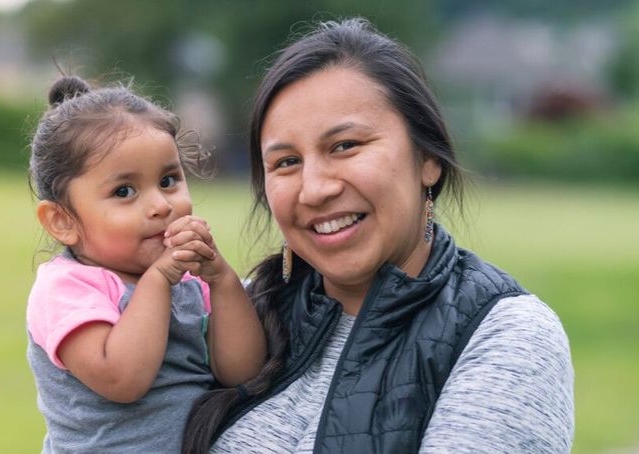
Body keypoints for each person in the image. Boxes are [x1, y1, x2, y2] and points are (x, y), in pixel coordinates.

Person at [182, 18, 574, 453]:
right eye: (286, 162)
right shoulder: (244, 314)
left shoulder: (505, 335)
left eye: (345, 146)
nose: (314, 189)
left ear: (427, 159)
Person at [25, 75, 266, 453]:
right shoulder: (67, 288)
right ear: (62, 221)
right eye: (124, 192)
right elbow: (122, 380)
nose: (161, 205)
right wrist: (157, 281)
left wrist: (221, 280)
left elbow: (242, 372)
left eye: (169, 180)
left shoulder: (189, 281)